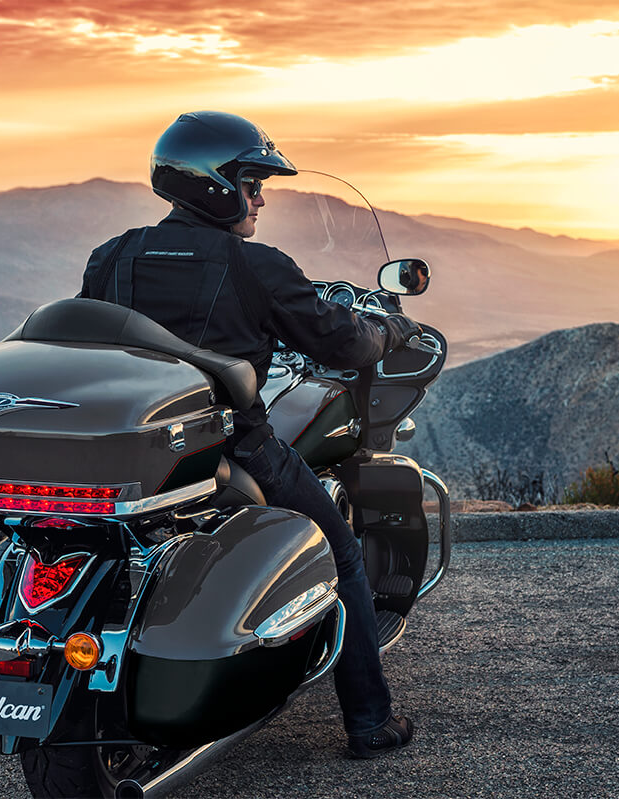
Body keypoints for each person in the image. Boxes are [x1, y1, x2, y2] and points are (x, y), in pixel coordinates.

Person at [79, 110, 422, 758]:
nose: (261, 197)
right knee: (340, 549)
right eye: (252, 182)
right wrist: (390, 329)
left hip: (134, 454)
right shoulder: (257, 267)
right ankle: (370, 721)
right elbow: (342, 340)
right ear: (214, 185)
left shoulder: (112, 256)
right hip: (233, 447)